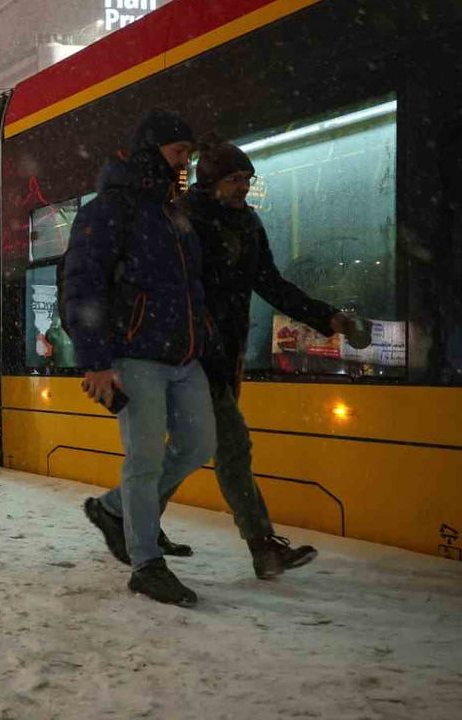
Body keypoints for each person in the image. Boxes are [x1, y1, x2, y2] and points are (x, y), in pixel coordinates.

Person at [158, 140, 369, 578]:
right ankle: (261, 545)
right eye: (236, 180)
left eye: (248, 181)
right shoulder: (184, 220)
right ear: (211, 180)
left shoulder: (248, 224)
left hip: (222, 354)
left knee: (188, 448)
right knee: (232, 446)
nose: (244, 188)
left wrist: (327, 317)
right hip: (189, 353)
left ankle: (128, 516)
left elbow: (271, 284)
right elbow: (168, 290)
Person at [64, 109, 216, 607]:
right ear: (153, 151)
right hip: (135, 357)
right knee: (145, 459)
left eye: (189, 157)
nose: (185, 165)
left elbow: (191, 287)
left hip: (184, 356)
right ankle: (147, 563)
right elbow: (84, 282)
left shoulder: (173, 212)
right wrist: (96, 361)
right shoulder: (112, 208)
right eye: (178, 154)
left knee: (197, 443)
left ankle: (114, 510)